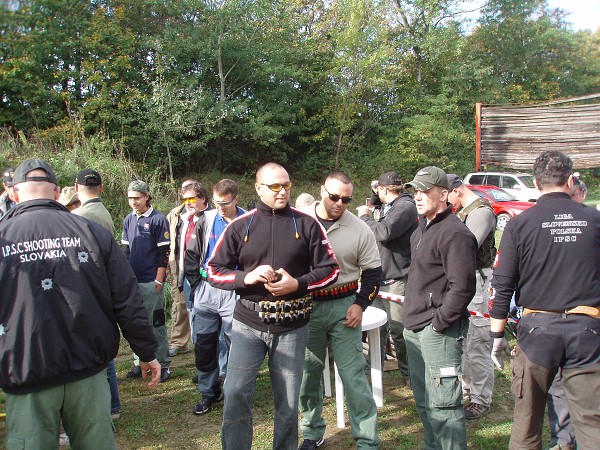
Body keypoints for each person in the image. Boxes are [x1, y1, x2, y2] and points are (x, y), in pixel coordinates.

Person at [0, 159, 160, 449]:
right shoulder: (91, 232)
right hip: (86, 366)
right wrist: (146, 351)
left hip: (28, 368)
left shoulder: (4, 236)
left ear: (11, 193)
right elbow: (127, 298)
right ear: (57, 192)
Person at [207, 162, 339, 450]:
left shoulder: (306, 223)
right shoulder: (241, 225)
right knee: (235, 393)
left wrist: (299, 284)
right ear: (258, 188)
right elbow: (212, 270)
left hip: (292, 326)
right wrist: (246, 277)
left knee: (289, 402)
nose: (283, 192)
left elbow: (331, 269)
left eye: (287, 185)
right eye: (275, 186)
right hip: (247, 325)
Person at [489, 150, 600, 450]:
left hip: (537, 333)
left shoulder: (519, 224)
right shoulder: (595, 219)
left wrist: (497, 335)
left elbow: (502, 285)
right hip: (587, 332)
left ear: (536, 184)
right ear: (570, 180)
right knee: (592, 425)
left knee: (526, 423)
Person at [299, 172, 382, 449]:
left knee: (353, 375)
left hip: (344, 306)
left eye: (346, 200)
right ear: (321, 189)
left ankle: (367, 441)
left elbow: (372, 272)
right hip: (306, 306)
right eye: (334, 197)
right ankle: (312, 431)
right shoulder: (297, 220)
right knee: (308, 373)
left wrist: (361, 304)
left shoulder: (360, 228)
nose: (339, 204)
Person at [402, 166, 477, 450]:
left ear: (444, 194)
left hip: (438, 331)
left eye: (424, 191)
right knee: (424, 401)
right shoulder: (421, 228)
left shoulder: (455, 234)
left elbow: (462, 287)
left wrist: (439, 323)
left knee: (444, 406)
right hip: (415, 327)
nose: (418, 197)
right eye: (415, 191)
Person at [185, 179, 245, 415]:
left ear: (236, 199)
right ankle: (209, 393)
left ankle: (234, 392)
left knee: (236, 344)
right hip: (206, 292)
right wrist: (197, 283)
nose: (220, 207)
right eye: (217, 202)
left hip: (235, 292)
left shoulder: (248, 221)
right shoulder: (206, 220)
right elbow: (191, 254)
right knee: (205, 345)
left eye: (225, 203)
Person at [356, 171, 418, 384]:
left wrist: (364, 217)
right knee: (376, 329)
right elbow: (379, 209)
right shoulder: (390, 206)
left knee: (399, 330)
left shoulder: (405, 207)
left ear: (384, 189)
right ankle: (374, 373)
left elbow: (384, 231)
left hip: (396, 278)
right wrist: (375, 195)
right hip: (380, 277)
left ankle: (410, 374)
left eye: (379, 190)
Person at [447, 174, 497, 420]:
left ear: (457, 190)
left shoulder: (481, 212)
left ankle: (480, 399)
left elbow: (466, 247)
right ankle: (469, 391)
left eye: (447, 196)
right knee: (465, 342)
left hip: (478, 281)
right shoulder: (465, 211)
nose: (447, 202)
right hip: (465, 280)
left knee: (478, 342)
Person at [73, 168, 120, 419]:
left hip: (91, 288)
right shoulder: (102, 212)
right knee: (105, 350)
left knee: (98, 352)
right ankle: (112, 405)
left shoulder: (79, 217)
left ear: (75, 187)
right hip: (104, 286)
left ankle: (109, 406)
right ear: (101, 188)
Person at [122, 180, 172, 383]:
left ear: (147, 196)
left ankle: (163, 364)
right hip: (132, 282)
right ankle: (139, 362)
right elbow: (125, 251)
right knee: (136, 324)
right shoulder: (128, 220)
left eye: (137, 197)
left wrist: (158, 281)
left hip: (151, 281)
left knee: (155, 323)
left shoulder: (158, 219)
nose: (134, 202)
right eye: (130, 198)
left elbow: (164, 254)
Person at [166, 179, 199, 357]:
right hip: (178, 266)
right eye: (184, 192)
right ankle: (179, 342)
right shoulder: (175, 214)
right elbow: (169, 241)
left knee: (199, 307)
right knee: (179, 304)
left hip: (200, 268)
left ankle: (201, 341)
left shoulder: (207, 213)